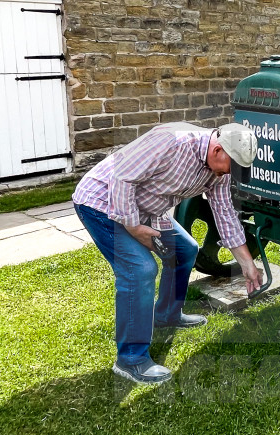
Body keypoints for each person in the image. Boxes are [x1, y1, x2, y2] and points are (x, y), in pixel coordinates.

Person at [73, 123, 264, 385]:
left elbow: (225, 216)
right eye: (234, 166)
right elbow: (122, 177)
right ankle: (130, 360)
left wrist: (247, 265)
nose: (234, 173)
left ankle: (166, 314)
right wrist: (133, 226)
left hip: (143, 209)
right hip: (101, 202)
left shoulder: (220, 170)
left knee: (185, 250)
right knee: (139, 270)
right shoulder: (171, 141)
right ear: (218, 149)